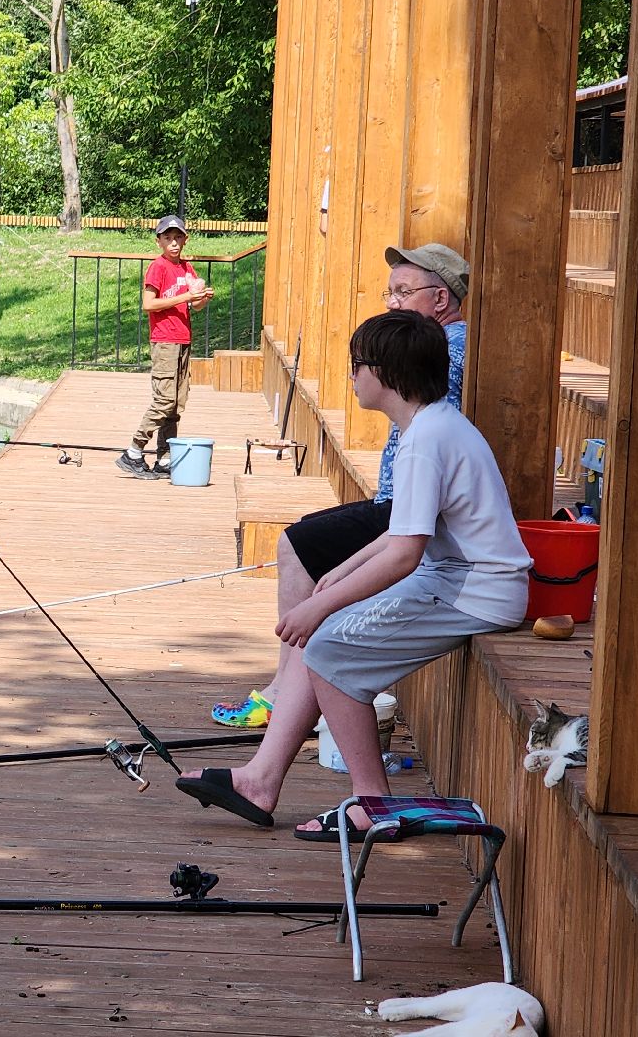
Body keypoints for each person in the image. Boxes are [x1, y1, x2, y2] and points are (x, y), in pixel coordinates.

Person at [176, 310, 530, 839]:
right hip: (455, 578)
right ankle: (260, 780)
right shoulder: (428, 426)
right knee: (328, 642)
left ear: (385, 374)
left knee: (327, 651)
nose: (352, 376)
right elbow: (397, 536)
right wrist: (337, 576)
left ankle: (371, 806)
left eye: (357, 365)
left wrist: (321, 604)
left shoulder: (426, 441)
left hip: (474, 590)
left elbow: (405, 554)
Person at [210, 243, 470, 728]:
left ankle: (282, 695)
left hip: (413, 512)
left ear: (440, 300)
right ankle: (284, 689)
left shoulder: (446, 350)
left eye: (402, 292)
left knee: (300, 543)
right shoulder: (439, 342)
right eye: (389, 292)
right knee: (306, 540)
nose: (391, 302)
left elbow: (433, 437)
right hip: (398, 503)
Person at [116, 214, 215, 480]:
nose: (173, 243)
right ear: (159, 241)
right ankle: (134, 452)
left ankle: (164, 457)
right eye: (168, 238)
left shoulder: (186, 269)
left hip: (183, 340)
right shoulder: (158, 268)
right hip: (164, 341)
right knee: (163, 401)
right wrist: (185, 296)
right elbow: (149, 303)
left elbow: (194, 306)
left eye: (177, 237)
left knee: (176, 404)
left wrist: (201, 298)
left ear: (185, 239)